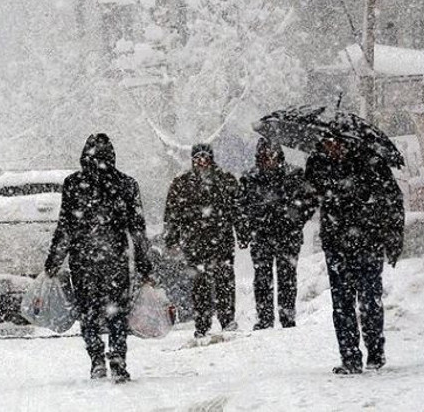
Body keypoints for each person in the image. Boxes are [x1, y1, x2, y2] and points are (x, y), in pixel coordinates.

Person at [44, 133, 154, 384]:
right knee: (117, 313)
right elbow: (137, 230)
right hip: (115, 260)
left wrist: (53, 261)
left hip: (84, 261)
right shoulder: (126, 184)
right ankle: (117, 359)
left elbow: (66, 227)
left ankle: (96, 359)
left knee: (89, 312)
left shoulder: (73, 184)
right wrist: (144, 265)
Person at [305, 136, 403, 374]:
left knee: (369, 300)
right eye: (327, 143)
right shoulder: (318, 164)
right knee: (342, 304)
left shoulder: (370, 162)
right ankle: (350, 357)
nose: (333, 148)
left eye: (337, 143)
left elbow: (392, 200)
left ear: (347, 142)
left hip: (368, 242)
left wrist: (393, 238)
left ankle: (375, 353)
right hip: (336, 245)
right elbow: (306, 199)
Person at [238, 138, 316, 330]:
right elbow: (240, 208)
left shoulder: (295, 175)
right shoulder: (249, 179)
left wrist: (296, 219)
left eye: (271, 155)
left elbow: (310, 201)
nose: (268, 160)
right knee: (262, 278)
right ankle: (265, 319)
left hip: (288, 235)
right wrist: (246, 229)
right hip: (261, 235)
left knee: (287, 277)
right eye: (264, 156)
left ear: (279, 156)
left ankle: (287, 317)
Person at [164, 143, 240, 339]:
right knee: (200, 285)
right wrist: (171, 239)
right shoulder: (182, 183)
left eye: (205, 157)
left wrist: (243, 233)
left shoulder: (225, 180)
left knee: (225, 282)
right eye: (198, 157)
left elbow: (238, 210)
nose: (202, 161)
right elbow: (172, 214)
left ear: (212, 158)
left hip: (221, 240)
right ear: (192, 159)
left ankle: (227, 319)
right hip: (194, 241)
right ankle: (202, 323)